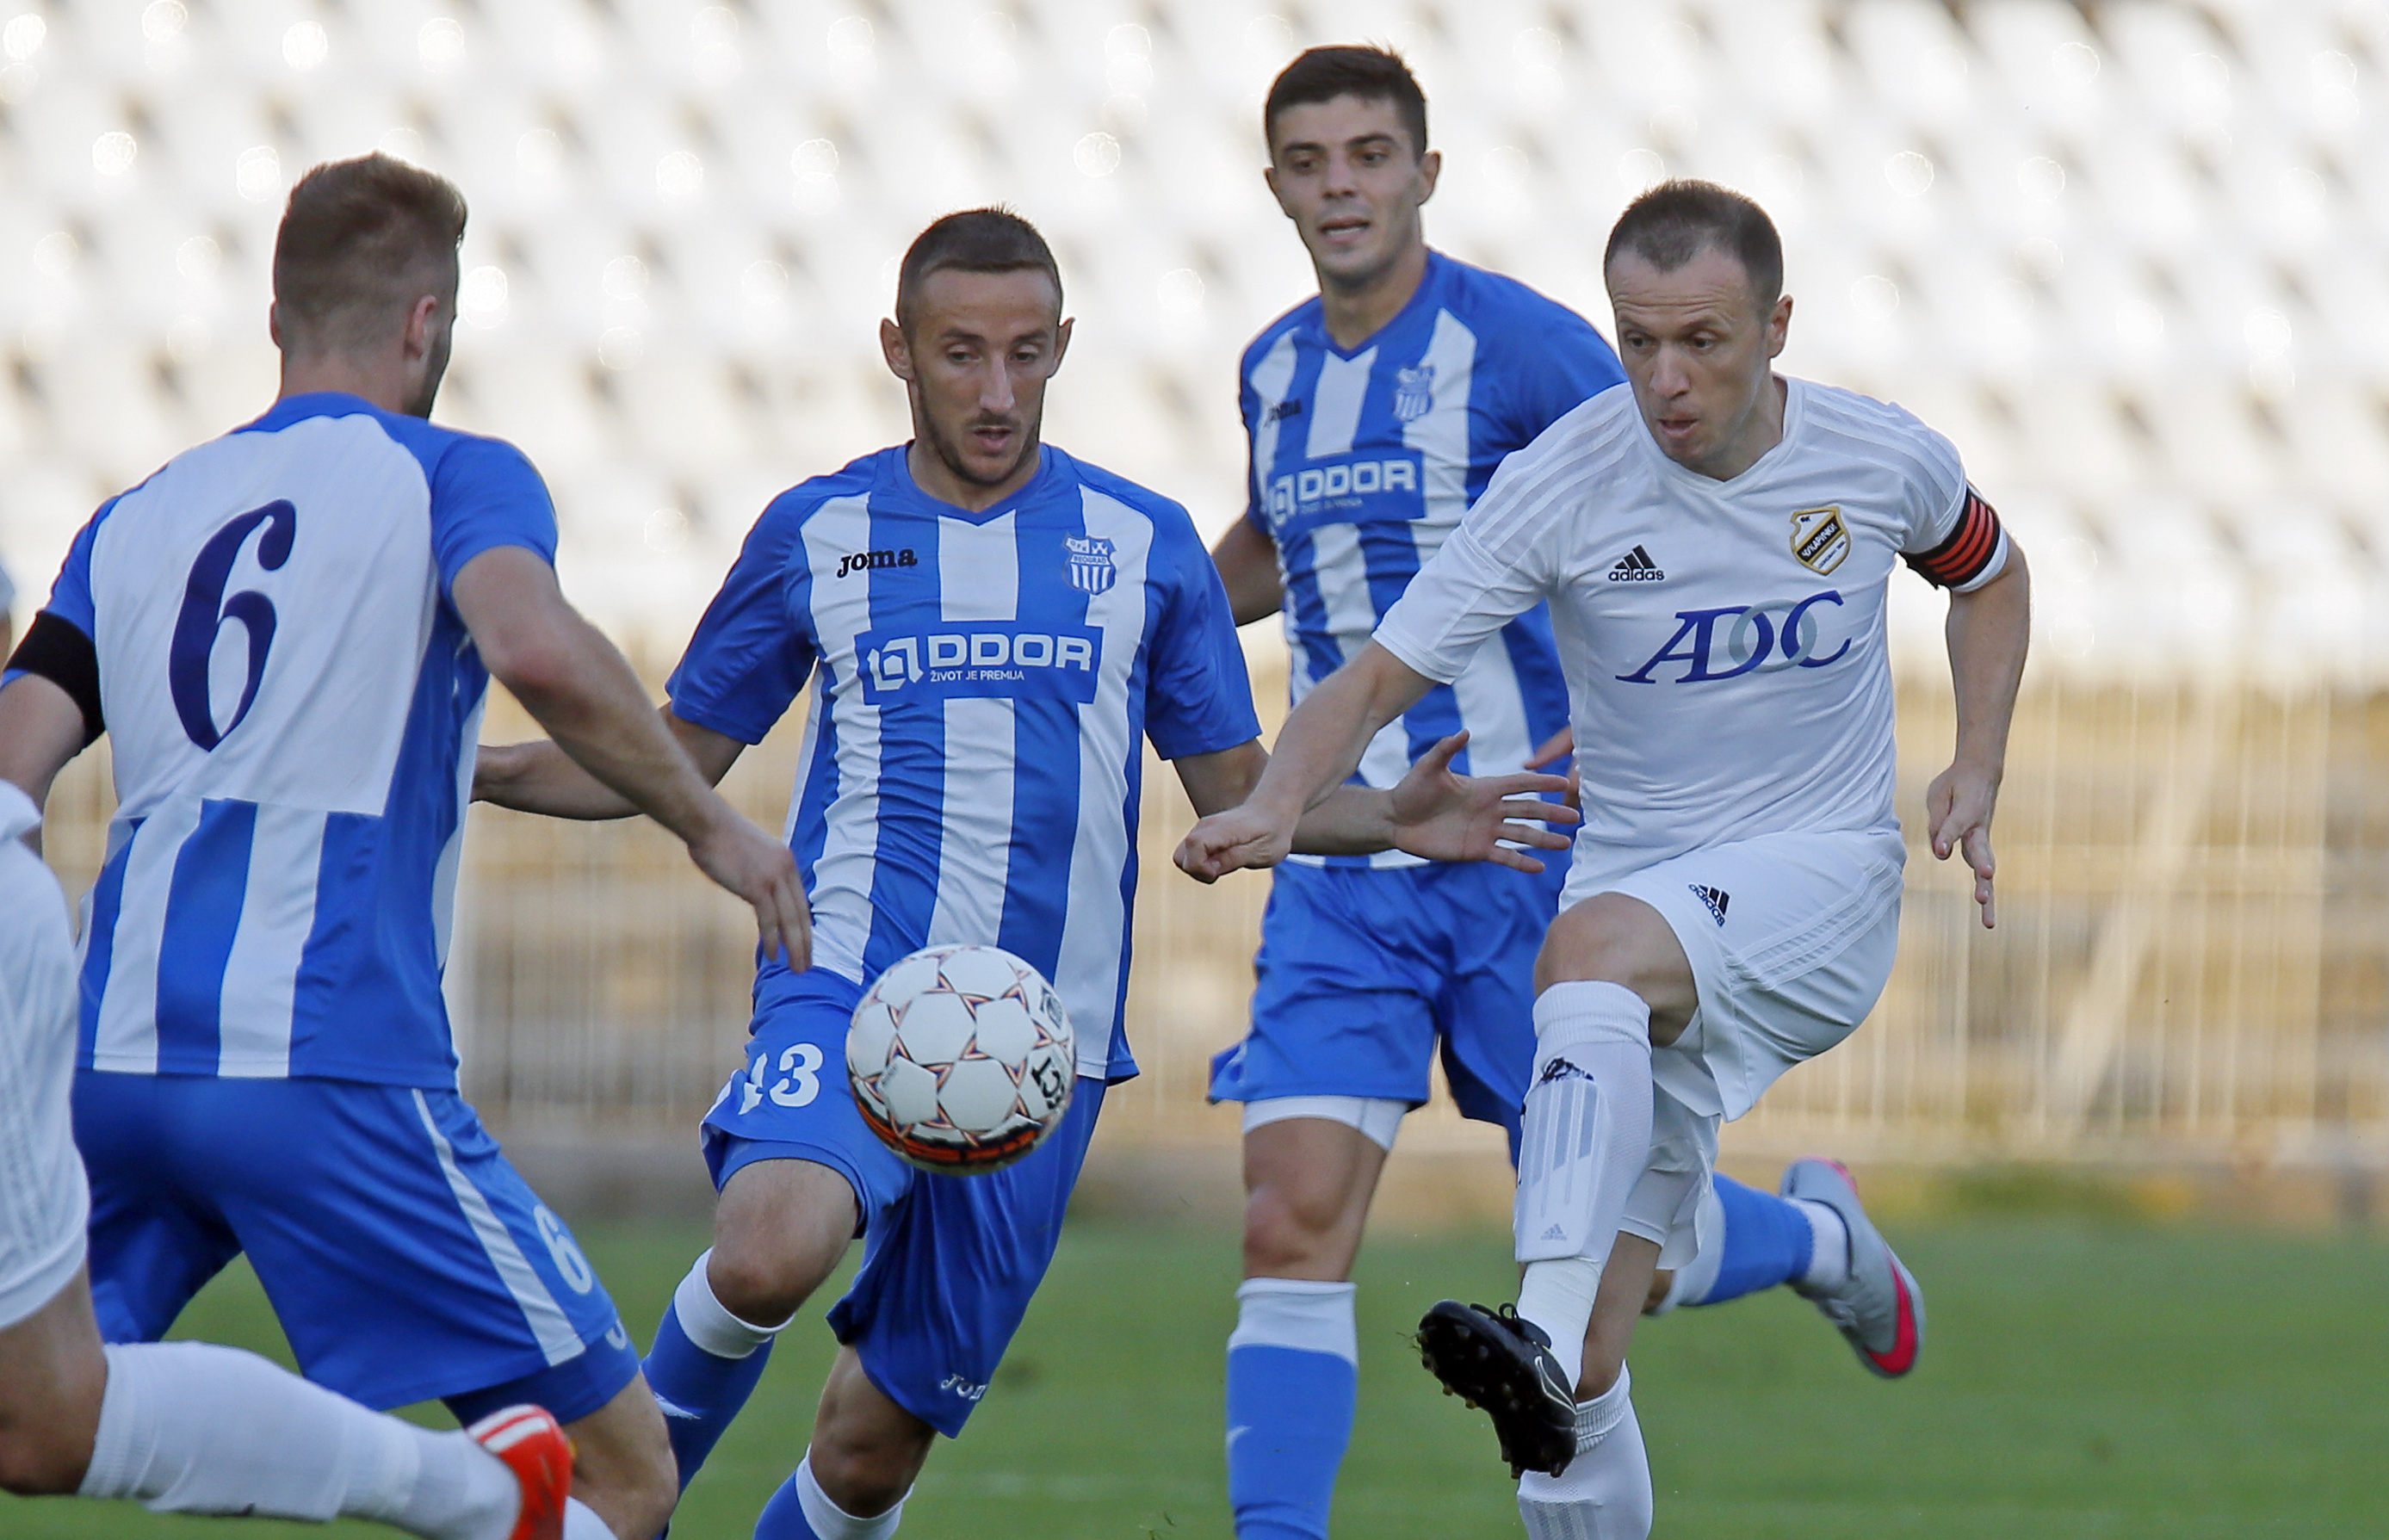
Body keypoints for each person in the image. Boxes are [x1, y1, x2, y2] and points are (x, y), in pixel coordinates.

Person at [472, 207, 1573, 1540]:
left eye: (1027, 353)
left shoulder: (1144, 543)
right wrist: (472, 767)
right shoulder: (818, 530)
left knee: (866, 1459)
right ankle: (607, 1515)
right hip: (850, 982)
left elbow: (1237, 794)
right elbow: (668, 758)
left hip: (1043, 1056)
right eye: (961, 354)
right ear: (899, 350)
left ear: (1062, 347)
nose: (997, 391)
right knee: (766, 1250)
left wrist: (1391, 817)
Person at [1179, 179, 2030, 1538]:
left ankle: (1536, 1317)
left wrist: (1977, 759)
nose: (1665, 378)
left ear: (1777, 327)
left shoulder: (1879, 458)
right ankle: (1773, 1263)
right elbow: (1380, 674)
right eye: (1638, 340)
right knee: (1582, 1375)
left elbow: (1987, 572)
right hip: (1647, 913)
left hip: (1818, 882)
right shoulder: (1567, 479)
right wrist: (1282, 802)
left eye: (1701, 340)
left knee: (1585, 956)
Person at [0, 152, 812, 1540]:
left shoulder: (133, 517)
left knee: (38, 1418)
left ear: (276, 318)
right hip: (327, 1063)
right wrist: (714, 823)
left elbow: (15, 762)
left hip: (115, 1063)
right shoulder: (452, 474)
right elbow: (531, 644)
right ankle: (464, 1498)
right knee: (622, 1475)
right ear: (428, 323)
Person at [0, 778, 573, 1538]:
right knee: (38, 1414)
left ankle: (477, 1494)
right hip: (132, 1000)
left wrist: (706, 825)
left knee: (38, 1404)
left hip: (296, 1034)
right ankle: (474, 1494)